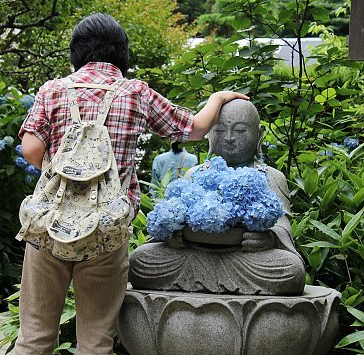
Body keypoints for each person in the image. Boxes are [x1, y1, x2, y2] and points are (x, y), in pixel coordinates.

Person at [13, 13, 248, 355]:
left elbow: (30, 149)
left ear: (77, 53)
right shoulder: (135, 93)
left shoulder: (53, 90)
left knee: (34, 338)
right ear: (121, 53)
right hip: (106, 230)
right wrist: (218, 96)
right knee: (95, 342)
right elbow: (195, 129)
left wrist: (67, 173)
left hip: (50, 228)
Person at [129, 99, 306, 296]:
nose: (229, 138)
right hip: (196, 253)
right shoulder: (194, 173)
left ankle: (204, 279)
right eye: (220, 131)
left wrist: (270, 238)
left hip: (245, 257)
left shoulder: (271, 176)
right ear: (209, 136)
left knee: (291, 270)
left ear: (259, 135)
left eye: (240, 131)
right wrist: (174, 234)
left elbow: (283, 226)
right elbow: (177, 215)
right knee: (139, 260)